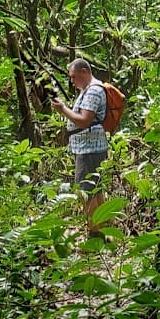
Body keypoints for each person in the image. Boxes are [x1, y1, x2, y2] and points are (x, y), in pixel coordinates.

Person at [51, 58, 109, 232]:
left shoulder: (93, 91)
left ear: (84, 72)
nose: (72, 81)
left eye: (74, 77)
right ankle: (105, 230)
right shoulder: (88, 90)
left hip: (89, 149)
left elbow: (84, 121)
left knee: (87, 193)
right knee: (95, 191)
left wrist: (63, 110)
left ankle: (94, 235)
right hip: (89, 147)